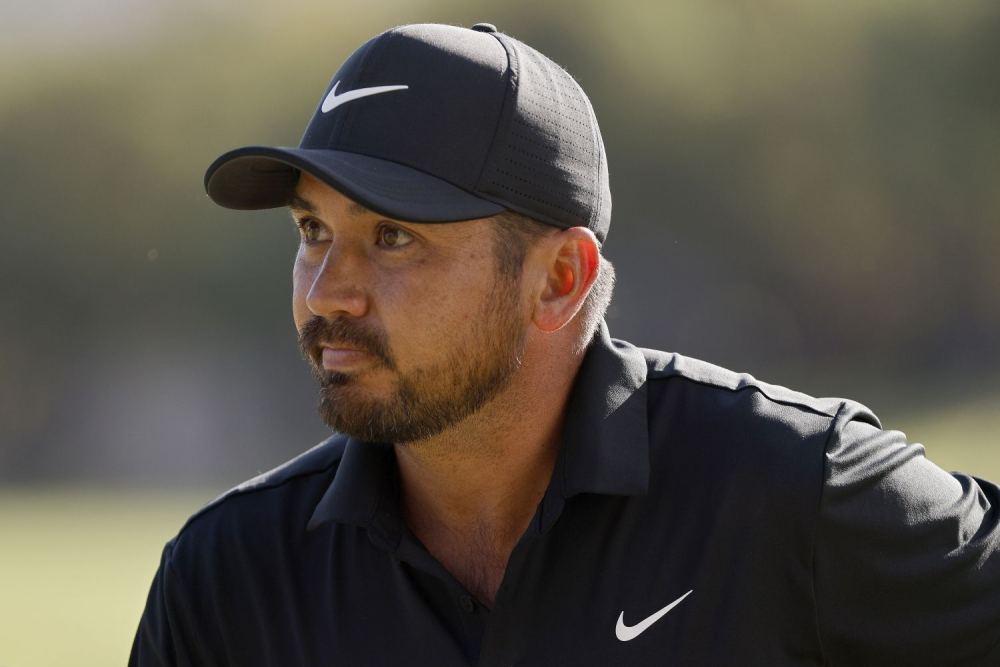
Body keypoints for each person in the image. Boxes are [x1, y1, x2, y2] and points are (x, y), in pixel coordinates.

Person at [130, 22, 1000, 666]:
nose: (327, 293)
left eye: (393, 237)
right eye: (313, 230)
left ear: (559, 279)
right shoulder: (226, 579)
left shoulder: (794, 492)